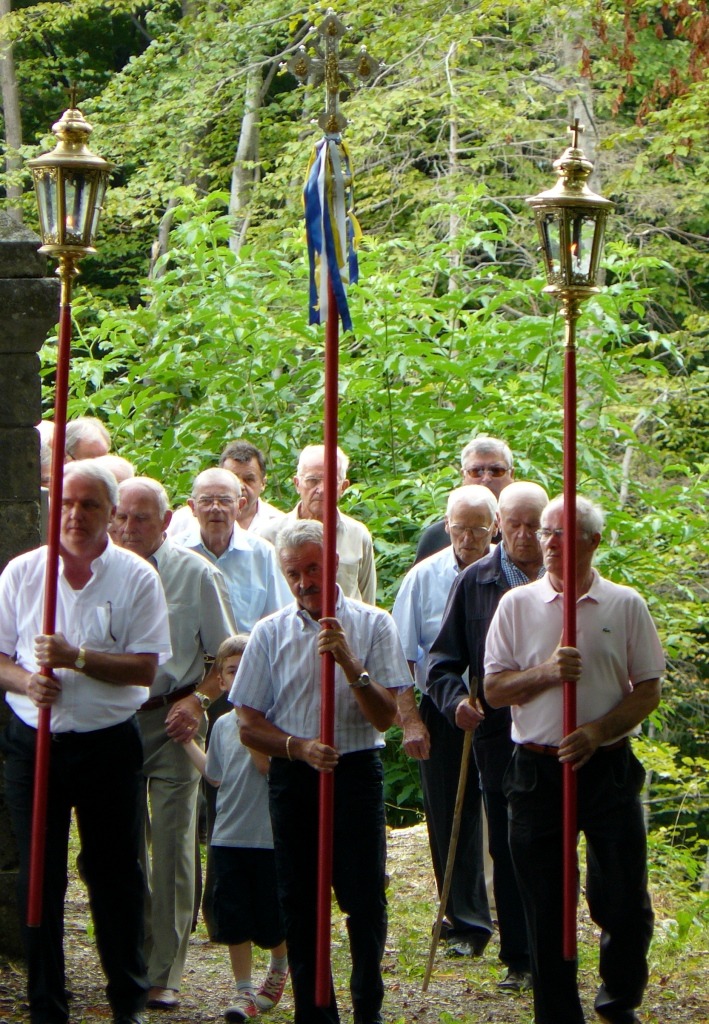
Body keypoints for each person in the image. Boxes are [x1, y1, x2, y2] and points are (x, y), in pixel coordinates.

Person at [0, 461, 172, 1024]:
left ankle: (128, 998)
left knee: (117, 872)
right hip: (35, 742)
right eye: (67, 504)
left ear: (111, 515)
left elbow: (146, 667)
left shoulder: (137, 577)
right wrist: (26, 680)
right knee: (38, 876)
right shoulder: (23, 574)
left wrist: (77, 658)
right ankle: (46, 1003)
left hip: (107, 745)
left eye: (90, 505)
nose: (74, 515)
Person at [483, 496, 664, 1024]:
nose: (551, 542)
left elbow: (648, 688)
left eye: (563, 533)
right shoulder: (516, 606)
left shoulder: (625, 604)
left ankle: (619, 995)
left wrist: (597, 730)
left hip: (606, 765)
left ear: (593, 541)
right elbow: (493, 690)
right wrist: (544, 673)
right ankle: (558, 1014)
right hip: (536, 770)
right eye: (546, 532)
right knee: (544, 899)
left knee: (623, 894)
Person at [230, 519, 410, 1024]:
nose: (304, 582)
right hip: (296, 775)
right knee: (300, 900)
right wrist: (299, 747)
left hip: (355, 772)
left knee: (364, 897)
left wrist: (352, 665)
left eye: (312, 568)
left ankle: (367, 1006)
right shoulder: (269, 633)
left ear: (331, 563)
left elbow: (384, 716)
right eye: (293, 573)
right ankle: (315, 1011)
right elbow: (247, 722)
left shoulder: (374, 624)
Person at [112, 477, 237, 1011]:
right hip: (112, 722)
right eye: (122, 516)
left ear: (167, 522)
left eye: (142, 518)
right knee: (118, 846)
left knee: (173, 843)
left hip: (173, 721)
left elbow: (227, 660)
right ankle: (133, 952)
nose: (128, 527)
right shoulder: (100, 572)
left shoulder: (196, 574)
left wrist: (199, 701)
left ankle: (165, 968)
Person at [427, 481, 549, 990]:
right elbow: (441, 659)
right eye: (514, 524)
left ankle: (555, 950)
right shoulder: (474, 581)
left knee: (555, 845)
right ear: (499, 523)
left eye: (533, 526)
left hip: (561, 736)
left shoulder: (570, 581)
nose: (523, 536)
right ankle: (521, 958)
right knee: (509, 844)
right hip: (499, 742)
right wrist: (455, 700)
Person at [392, 485, 499, 957]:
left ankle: (512, 918)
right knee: (446, 813)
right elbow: (397, 656)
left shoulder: (510, 573)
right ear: (446, 525)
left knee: (503, 808)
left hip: (501, 705)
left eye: (478, 528)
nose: (468, 537)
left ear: (493, 528)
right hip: (440, 703)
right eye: (459, 528)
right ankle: (465, 920)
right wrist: (411, 722)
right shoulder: (422, 578)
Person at [183, 635, 289, 1023]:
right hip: (227, 835)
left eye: (250, 670)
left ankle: (280, 963)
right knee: (233, 917)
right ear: (222, 681)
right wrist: (187, 742)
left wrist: (252, 724)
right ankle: (244, 991)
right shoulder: (221, 725)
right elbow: (214, 776)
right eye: (232, 671)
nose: (240, 677)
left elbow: (265, 767)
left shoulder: (275, 722)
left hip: (268, 839)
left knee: (270, 918)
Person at [260, 444, 376, 604]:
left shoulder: (358, 535)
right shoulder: (269, 536)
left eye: (330, 481)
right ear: (297, 484)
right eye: (312, 481)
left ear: (343, 487)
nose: (321, 489)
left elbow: (367, 602)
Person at [181, 468, 291, 632]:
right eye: (206, 501)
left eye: (225, 500)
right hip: (190, 657)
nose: (215, 508)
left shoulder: (263, 555)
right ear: (192, 507)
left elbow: (279, 619)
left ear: (240, 505)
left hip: (247, 655)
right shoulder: (177, 553)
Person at [414, 435, 514, 563]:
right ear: (463, 475)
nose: (486, 478)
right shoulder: (436, 537)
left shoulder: (521, 534)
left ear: (511, 474)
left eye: (496, 471)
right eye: (476, 471)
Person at [168, 440, 285, 541]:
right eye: (232, 478)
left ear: (263, 483)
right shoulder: (184, 520)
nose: (240, 485)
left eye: (249, 479)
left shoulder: (280, 525)